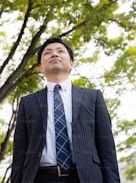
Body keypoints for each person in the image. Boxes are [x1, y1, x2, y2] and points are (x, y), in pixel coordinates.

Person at [11, 37, 120, 183]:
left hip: (86, 177)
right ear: (40, 67)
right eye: (48, 52)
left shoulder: (93, 97)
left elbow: (107, 148)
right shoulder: (28, 102)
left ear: (71, 63)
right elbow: (19, 152)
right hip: (41, 178)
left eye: (60, 51)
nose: (54, 54)